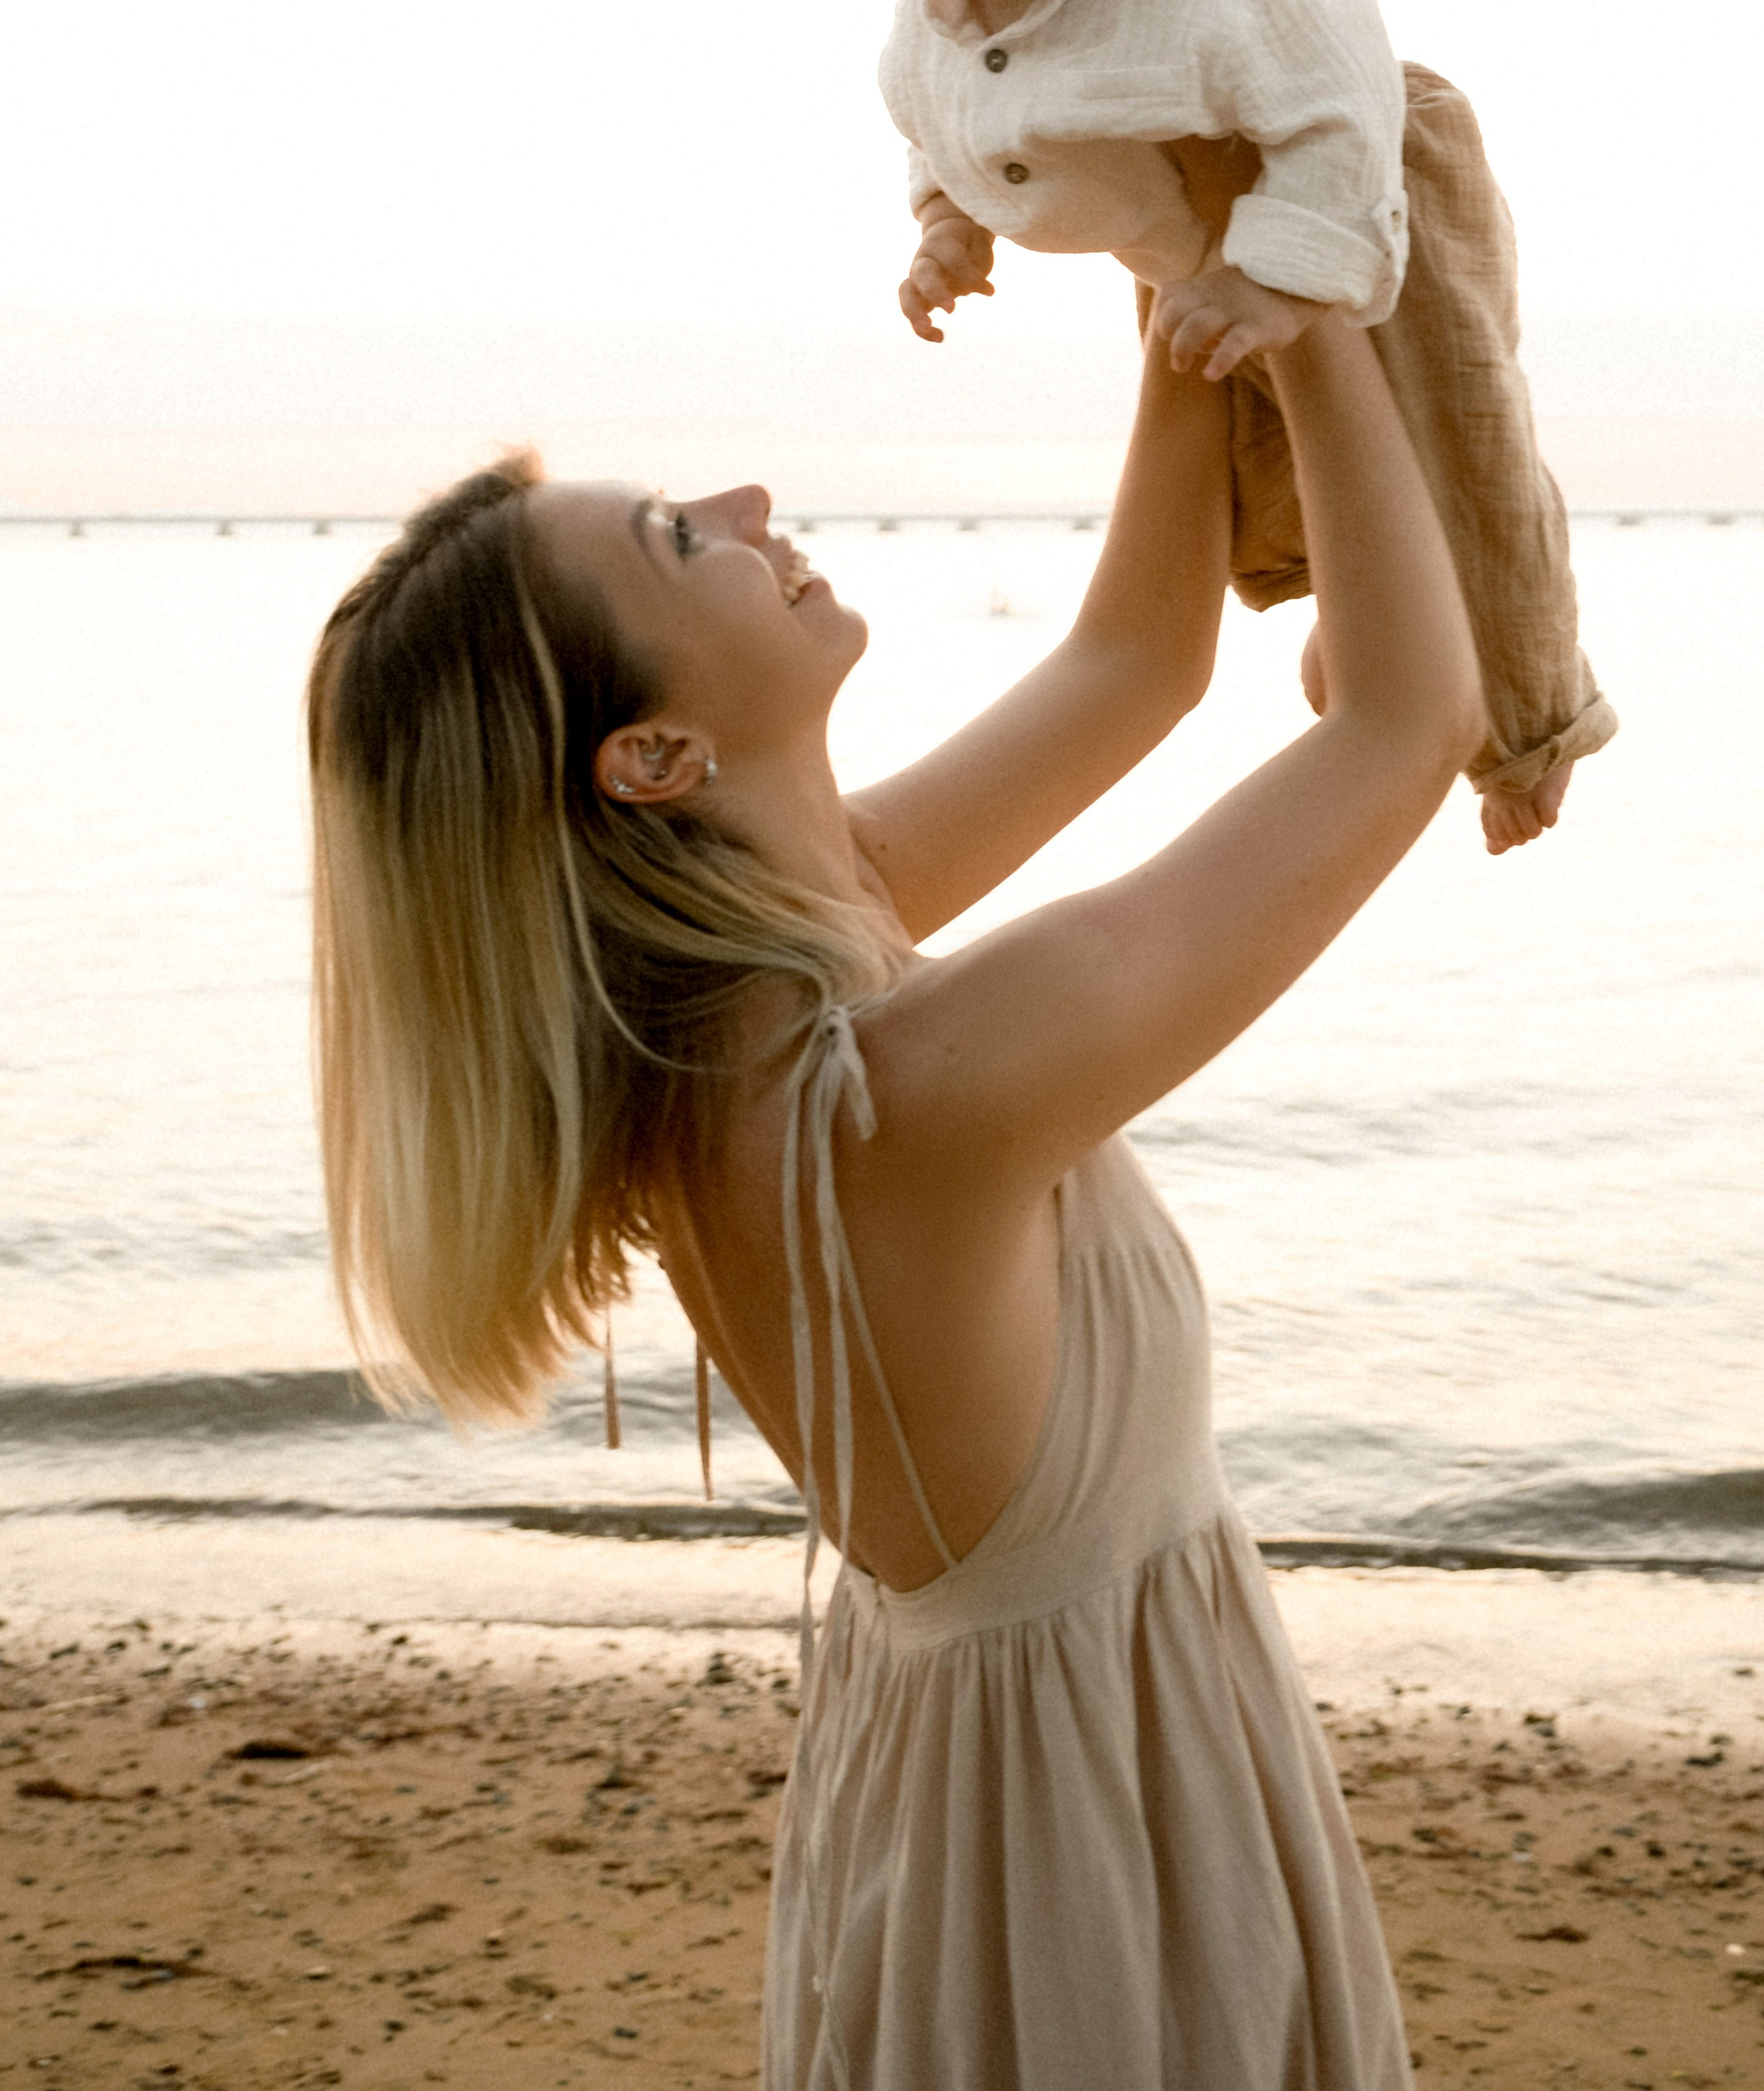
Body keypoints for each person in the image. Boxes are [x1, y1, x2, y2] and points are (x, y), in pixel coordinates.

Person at [308, 299, 1483, 2087]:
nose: (751, 494)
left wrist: (1188, 293)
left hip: (1002, 1766)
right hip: (1085, 1820)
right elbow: (1411, 722)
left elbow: (1139, 660)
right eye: (678, 538)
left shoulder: (764, 985)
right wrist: (1318, 318)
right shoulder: (909, 1090)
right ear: (651, 757)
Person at [802, 0, 1616, 858]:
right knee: (1253, 479)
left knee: (1455, 443)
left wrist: (1284, 276)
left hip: (1357, 170)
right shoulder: (928, 29)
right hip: (1194, 241)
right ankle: (1361, 624)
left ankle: (1529, 730)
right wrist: (946, 230)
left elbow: (1341, 106)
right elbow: (942, 124)